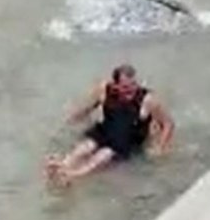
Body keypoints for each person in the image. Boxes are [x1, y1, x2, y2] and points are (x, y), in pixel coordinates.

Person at [45, 64, 175, 188]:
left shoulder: (148, 100)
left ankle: (72, 176)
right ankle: (62, 166)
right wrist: (68, 122)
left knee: (101, 156)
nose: (130, 91)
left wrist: (161, 147)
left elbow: (168, 124)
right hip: (105, 131)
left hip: (125, 141)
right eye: (125, 87)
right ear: (115, 85)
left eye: (133, 85)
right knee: (83, 148)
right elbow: (86, 109)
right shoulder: (104, 90)